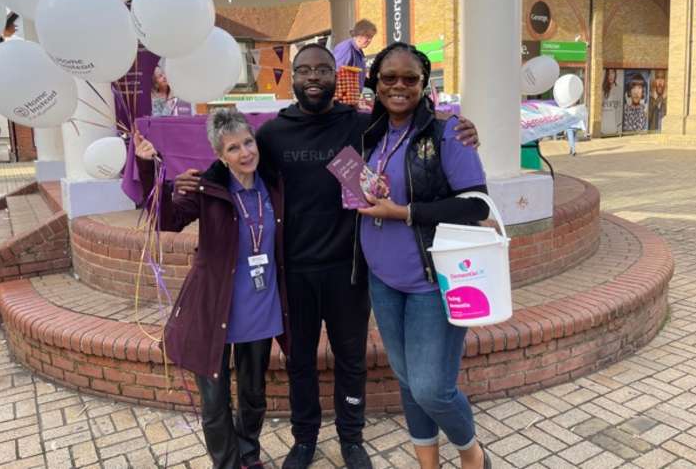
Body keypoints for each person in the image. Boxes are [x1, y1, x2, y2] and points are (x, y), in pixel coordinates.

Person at [174, 43, 479, 469]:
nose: (314, 77)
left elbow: (411, 121)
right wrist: (190, 184)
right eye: (304, 70)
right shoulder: (272, 135)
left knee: (350, 359)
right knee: (300, 362)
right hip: (293, 272)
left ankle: (352, 438)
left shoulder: (360, 125)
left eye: (323, 69)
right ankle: (304, 439)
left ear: (338, 77)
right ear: (293, 78)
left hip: (349, 268)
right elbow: (235, 170)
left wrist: (459, 128)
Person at [355, 43, 491, 469]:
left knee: (432, 388)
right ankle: (426, 464)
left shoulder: (447, 133)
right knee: (409, 380)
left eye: (409, 78)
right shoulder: (369, 134)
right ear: (374, 84)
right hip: (383, 280)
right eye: (388, 78)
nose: (399, 86)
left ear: (424, 85)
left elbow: (476, 205)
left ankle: (471, 454)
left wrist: (405, 213)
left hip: (432, 281)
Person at [134, 109, 290, 469]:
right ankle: (227, 464)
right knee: (215, 399)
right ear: (220, 155)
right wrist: (149, 171)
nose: (245, 153)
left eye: (248, 142)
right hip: (214, 307)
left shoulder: (274, 184)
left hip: (261, 303)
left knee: (253, 394)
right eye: (233, 148)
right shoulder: (207, 187)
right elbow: (166, 220)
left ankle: (248, 454)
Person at [333, 19, 377, 93]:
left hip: (353, 97)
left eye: (371, 37)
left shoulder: (359, 52)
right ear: (359, 34)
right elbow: (335, 72)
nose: (370, 40)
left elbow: (359, 77)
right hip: (343, 98)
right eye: (368, 37)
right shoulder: (346, 48)